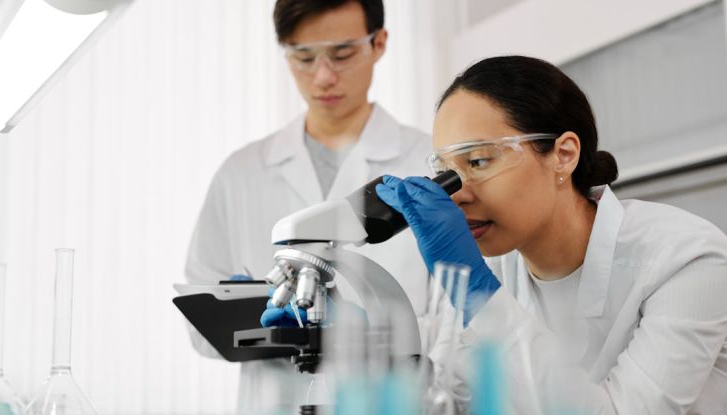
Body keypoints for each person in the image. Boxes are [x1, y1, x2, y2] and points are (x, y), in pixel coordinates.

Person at [375, 56, 727, 414]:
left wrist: (479, 297)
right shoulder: (494, 265)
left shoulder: (686, 259)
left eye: (478, 161)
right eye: (446, 173)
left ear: (563, 154)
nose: (456, 194)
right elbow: (455, 400)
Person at [184, 0, 431, 413]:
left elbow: (459, 330)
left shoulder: (422, 162)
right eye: (303, 57)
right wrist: (241, 314)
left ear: (379, 42)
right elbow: (199, 330)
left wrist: (370, 334)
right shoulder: (241, 172)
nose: (323, 76)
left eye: (342, 54)